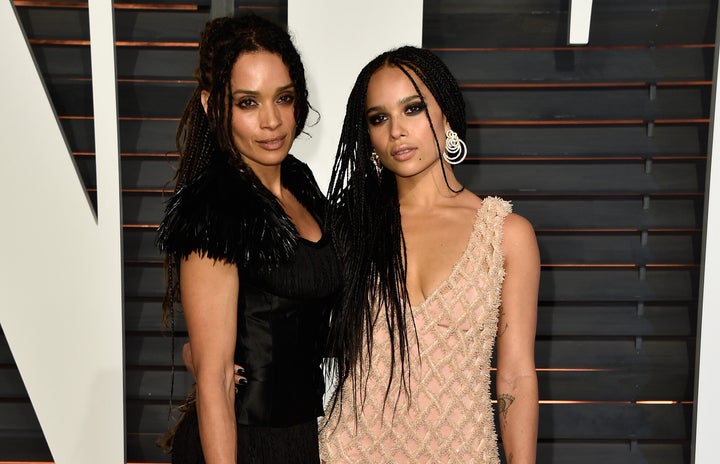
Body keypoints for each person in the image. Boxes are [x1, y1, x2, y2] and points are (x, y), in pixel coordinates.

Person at [320, 46, 540, 463]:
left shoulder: (506, 235)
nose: (397, 131)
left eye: (413, 109)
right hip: (348, 453)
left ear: (447, 116)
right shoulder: (348, 228)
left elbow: (514, 377)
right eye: (379, 118)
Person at [156, 13, 340, 464]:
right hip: (239, 442)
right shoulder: (215, 211)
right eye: (247, 103)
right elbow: (216, 380)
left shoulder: (302, 185)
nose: (272, 121)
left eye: (283, 98)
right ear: (212, 105)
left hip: (299, 437)